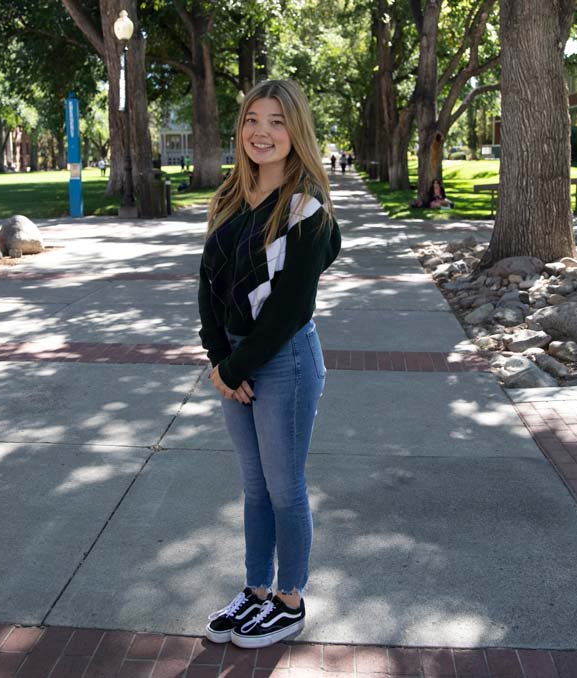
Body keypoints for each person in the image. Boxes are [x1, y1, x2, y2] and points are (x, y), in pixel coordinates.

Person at [198, 79, 341, 650]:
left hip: (284, 361)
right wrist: (219, 358)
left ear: (296, 130)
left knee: (285, 487)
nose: (262, 132)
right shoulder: (229, 198)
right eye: (252, 120)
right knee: (253, 487)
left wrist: (235, 369)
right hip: (233, 360)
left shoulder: (306, 209)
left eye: (277, 121)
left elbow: (289, 310)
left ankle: (289, 601)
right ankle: (256, 591)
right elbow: (208, 286)